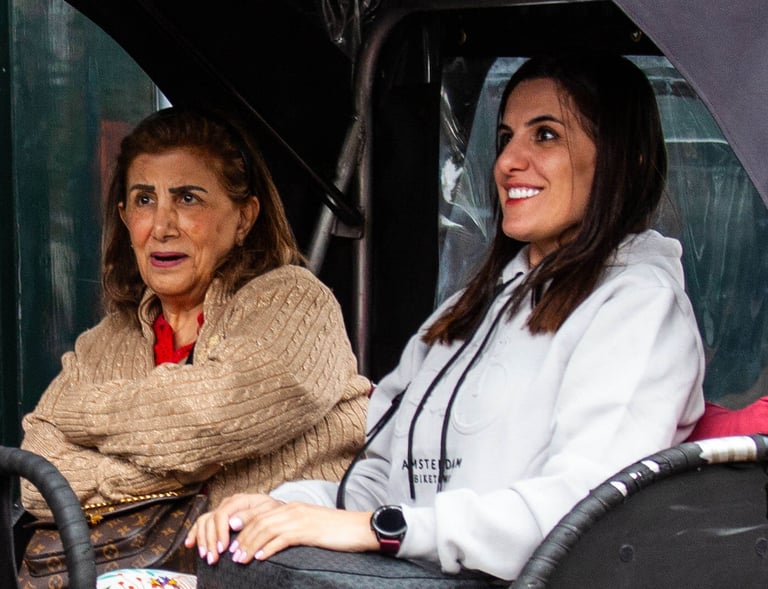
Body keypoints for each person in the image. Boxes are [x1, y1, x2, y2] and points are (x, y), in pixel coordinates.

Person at [186, 52, 705, 582]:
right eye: (505, 138)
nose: (507, 163)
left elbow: (584, 510)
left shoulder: (639, 306)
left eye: (545, 135)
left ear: (628, 158)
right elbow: (377, 485)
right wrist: (279, 506)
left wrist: (384, 530)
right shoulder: (465, 312)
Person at [20, 107, 370, 522]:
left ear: (245, 217)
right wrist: (172, 476)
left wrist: (77, 414)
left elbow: (220, 414)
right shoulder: (104, 341)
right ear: (125, 218)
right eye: (144, 200)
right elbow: (34, 481)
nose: (162, 225)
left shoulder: (296, 302)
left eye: (188, 198)